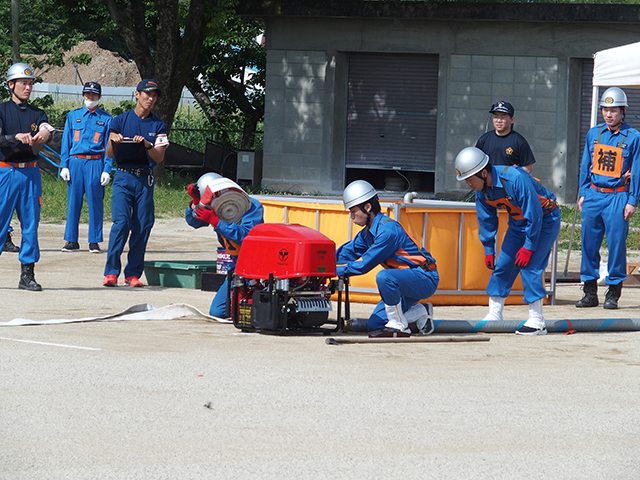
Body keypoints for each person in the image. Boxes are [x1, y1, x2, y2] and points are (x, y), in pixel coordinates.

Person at [455, 146, 560, 335]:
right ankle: (494, 314)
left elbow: (534, 215)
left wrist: (529, 247)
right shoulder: (482, 192)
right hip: (518, 224)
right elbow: (486, 221)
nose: (468, 184)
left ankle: (537, 321)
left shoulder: (515, 179)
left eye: (470, 179)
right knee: (503, 265)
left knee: (531, 267)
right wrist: (489, 250)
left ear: (484, 172)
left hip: (544, 220)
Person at [335, 180, 439, 335]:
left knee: (384, 277)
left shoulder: (387, 231)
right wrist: (319, 263)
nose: (351, 216)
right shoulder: (367, 234)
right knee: (375, 324)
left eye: (353, 211)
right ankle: (420, 311)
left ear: (368, 207)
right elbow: (346, 253)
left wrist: (334, 270)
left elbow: (364, 264)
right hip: (402, 283)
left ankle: (398, 323)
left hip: (424, 277)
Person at [576, 87, 640, 310]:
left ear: (622, 111)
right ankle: (589, 291)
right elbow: (586, 165)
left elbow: (638, 171)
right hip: (594, 194)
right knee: (588, 244)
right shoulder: (594, 134)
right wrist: (583, 192)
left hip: (617, 196)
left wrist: (633, 200)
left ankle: (613, 292)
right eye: (605, 109)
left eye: (613, 110)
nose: (608, 114)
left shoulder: (633, 138)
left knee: (616, 245)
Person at [102, 79, 169, 287]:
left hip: (145, 179)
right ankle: (111, 272)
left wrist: (148, 145)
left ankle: (133, 274)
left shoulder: (158, 125)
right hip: (123, 177)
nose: (151, 99)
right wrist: (113, 139)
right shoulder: (119, 121)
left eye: (154, 96)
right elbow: (109, 154)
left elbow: (159, 158)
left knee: (142, 226)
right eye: (147, 94)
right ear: (137, 94)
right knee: (121, 223)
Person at [0, 62, 55, 291]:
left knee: (31, 225)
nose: (28, 87)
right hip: (6, 172)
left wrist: (45, 132)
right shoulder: (1, 110)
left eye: (31, 83)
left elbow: (46, 128)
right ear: (11, 85)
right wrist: (15, 136)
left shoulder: (37, 113)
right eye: (23, 83)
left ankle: (27, 274)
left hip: (30, 172)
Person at [185, 173, 264, 317]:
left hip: (255, 266)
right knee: (218, 312)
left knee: (260, 306)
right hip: (236, 267)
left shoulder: (252, 206)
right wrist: (196, 204)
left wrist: (217, 222)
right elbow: (194, 222)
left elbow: (245, 237)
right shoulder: (215, 208)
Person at [59, 82, 113, 253]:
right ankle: (71, 240)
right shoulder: (73, 116)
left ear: (99, 97)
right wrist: (64, 165)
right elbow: (66, 142)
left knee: (95, 202)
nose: (91, 98)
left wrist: (107, 168)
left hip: (95, 162)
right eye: (88, 95)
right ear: (83, 96)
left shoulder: (106, 118)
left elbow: (109, 146)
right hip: (75, 162)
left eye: (94, 95)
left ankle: (94, 241)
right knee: (73, 202)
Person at [476, 101, 536, 174]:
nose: (498, 120)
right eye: (495, 117)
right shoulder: (484, 139)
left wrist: (511, 178)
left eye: (503, 117)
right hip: (488, 184)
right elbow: (476, 164)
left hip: (510, 184)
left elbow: (527, 169)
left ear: (512, 120)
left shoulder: (519, 141)